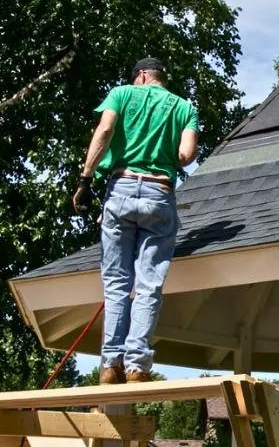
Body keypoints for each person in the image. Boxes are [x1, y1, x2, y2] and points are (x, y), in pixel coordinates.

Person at [72, 58, 199, 384]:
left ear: (140, 75)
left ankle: (110, 365)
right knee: (148, 287)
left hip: (122, 190)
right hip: (160, 193)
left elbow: (105, 130)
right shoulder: (184, 108)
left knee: (116, 284)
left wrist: (86, 180)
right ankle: (137, 367)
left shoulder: (121, 94)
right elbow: (187, 155)